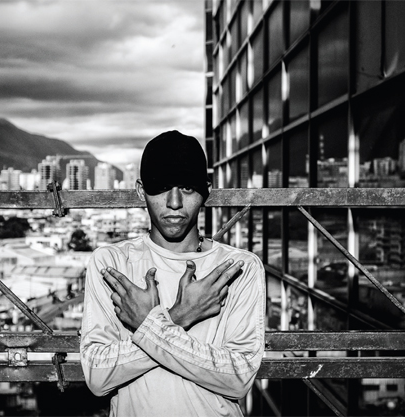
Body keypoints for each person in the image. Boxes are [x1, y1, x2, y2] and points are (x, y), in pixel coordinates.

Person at [80, 130, 266, 416]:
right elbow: (97, 376)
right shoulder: (111, 263)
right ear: (141, 190)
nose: (175, 202)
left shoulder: (239, 268)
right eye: (162, 187)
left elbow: (238, 379)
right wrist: (180, 315)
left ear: (207, 190)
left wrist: (149, 325)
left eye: (188, 188)